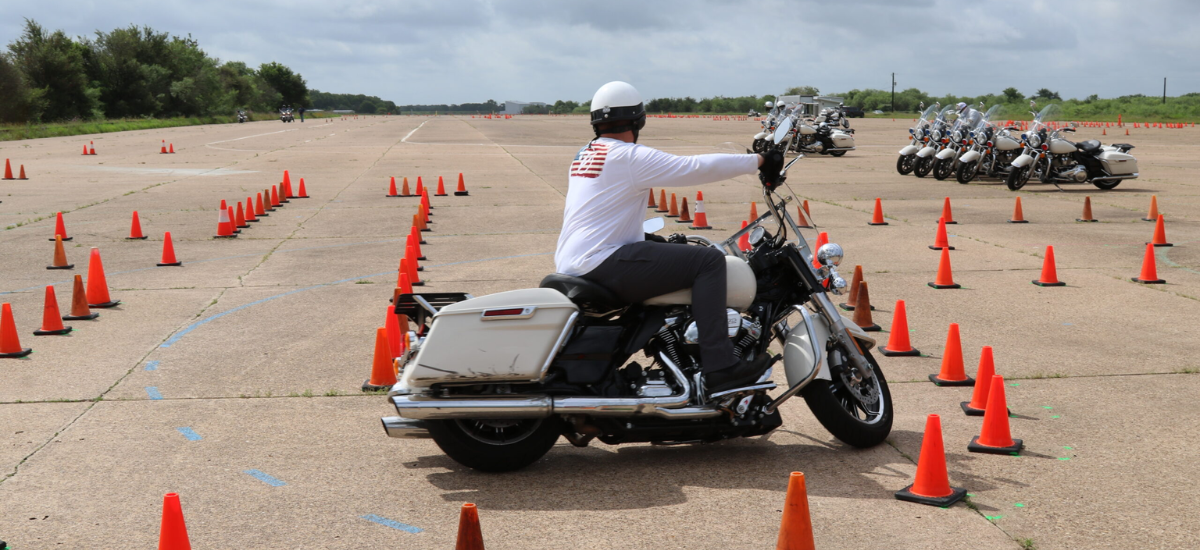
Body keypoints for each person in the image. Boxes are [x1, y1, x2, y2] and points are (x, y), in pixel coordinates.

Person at [554, 81, 784, 393]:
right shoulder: (628, 156)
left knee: (680, 259)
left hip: (576, 260)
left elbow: (605, 215)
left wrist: (648, 242)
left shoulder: (584, 155)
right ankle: (721, 367)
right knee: (710, 262)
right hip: (602, 261)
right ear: (639, 122)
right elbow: (694, 167)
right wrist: (759, 160)